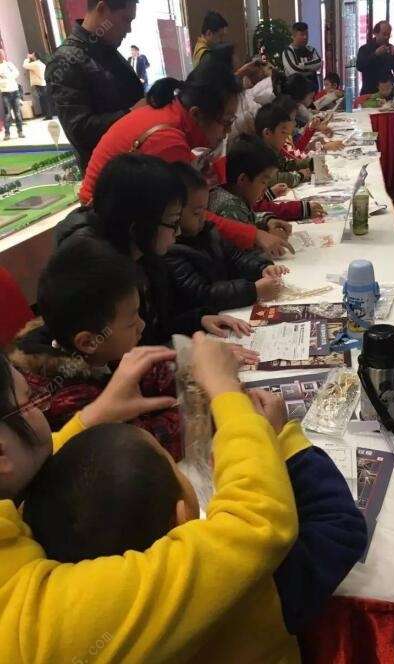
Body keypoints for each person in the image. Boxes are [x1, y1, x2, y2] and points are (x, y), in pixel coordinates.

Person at [0, 337, 301, 661]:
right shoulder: (29, 624)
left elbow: (36, 458)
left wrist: (93, 415)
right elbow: (255, 525)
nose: (41, 411)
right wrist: (227, 393)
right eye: (30, 402)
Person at [22, 378, 367, 661]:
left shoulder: (76, 615)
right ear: (181, 515)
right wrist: (280, 440)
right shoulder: (253, 587)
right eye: (172, 465)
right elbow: (337, 524)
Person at [79, 61, 293, 258]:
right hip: (108, 233)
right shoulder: (167, 141)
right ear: (197, 114)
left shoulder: (174, 120)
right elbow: (190, 213)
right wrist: (255, 235)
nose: (228, 131)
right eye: (226, 121)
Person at [56, 153, 259, 349]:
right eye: (173, 222)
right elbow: (122, 356)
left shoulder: (142, 256)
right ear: (139, 225)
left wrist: (199, 320)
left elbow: (153, 329)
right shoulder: (98, 278)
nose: (178, 231)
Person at [9, 238, 183, 460]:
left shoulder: (98, 347)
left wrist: (188, 374)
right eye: (131, 322)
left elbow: (150, 376)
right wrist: (197, 407)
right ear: (87, 342)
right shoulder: (68, 400)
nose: (142, 325)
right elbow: (144, 448)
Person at [166, 161, 287, 311]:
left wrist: (262, 268)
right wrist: (253, 290)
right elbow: (202, 295)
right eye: (196, 213)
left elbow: (236, 257)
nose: (203, 217)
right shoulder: (171, 251)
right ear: (174, 213)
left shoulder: (208, 231)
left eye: (205, 210)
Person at [45, 0, 144, 171]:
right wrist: (132, 114)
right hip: (109, 177)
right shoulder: (65, 61)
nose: (129, 29)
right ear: (102, 8)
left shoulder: (106, 50)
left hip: (134, 167)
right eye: (126, 19)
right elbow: (80, 130)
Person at [255, 103, 312, 188]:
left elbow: (286, 165)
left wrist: (311, 163)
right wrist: (300, 175)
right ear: (267, 133)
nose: (286, 139)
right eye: (283, 133)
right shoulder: (257, 153)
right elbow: (273, 179)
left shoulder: (272, 150)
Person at [356, 21, 394, 94]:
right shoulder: (365, 48)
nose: (387, 37)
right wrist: (375, 54)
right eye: (384, 34)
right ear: (375, 33)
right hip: (369, 92)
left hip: (387, 92)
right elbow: (359, 66)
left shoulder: (391, 48)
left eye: (389, 35)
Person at [283, 21, 322, 92]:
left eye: (307, 34)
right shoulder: (288, 52)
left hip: (312, 91)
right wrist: (311, 70)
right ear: (294, 36)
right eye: (302, 35)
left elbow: (319, 63)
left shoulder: (311, 50)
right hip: (295, 93)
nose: (305, 37)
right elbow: (294, 70)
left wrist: (301, 65)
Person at [0, 49, 24, 140]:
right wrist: (6, 79)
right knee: (8, 114)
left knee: (17, 113)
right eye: (0, 54)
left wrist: (6, 77)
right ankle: (7, 133)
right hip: (5, 93)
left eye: (2, 53)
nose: (2, 55)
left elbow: (16, 73)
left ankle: (20, 131)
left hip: (15, 91)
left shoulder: (9, 64)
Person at [23, 52, 53, 120]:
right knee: (46, 100)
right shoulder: (41, 63)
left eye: (32, 54)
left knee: (43, 100)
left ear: (35, 56)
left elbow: (25, 65)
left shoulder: (35, 64)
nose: (31, 55)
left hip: (39, 84)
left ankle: (48, 115)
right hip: (43, 83)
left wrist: (27, 58)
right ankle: (49, 115)